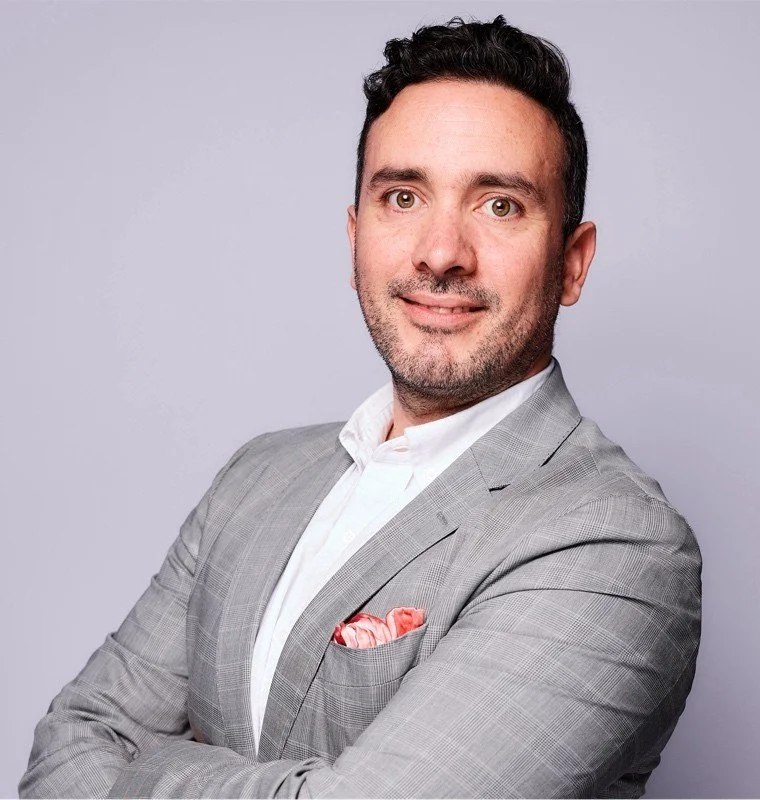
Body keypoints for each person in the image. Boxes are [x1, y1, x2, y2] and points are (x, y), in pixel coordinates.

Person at [20, 16, 701, 799]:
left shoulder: (616, 542)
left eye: (500, 205)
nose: (441, 253)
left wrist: (146, 770)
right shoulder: (257, 476)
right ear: (355, 239)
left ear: (572, 265)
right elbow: (72, 740)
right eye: (403, 197)